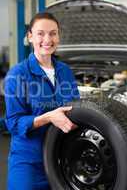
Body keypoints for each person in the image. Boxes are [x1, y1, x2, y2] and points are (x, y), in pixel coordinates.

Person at [4, 12, 80, 190]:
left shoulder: (65, 71)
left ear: (58, 36)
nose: (48, 39)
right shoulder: (17, 75)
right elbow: (13, 123)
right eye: (40, 33)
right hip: (30, 162)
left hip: (63, 159)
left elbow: (76, 108)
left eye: (53, 33)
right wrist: (48, 117)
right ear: (30, 36)